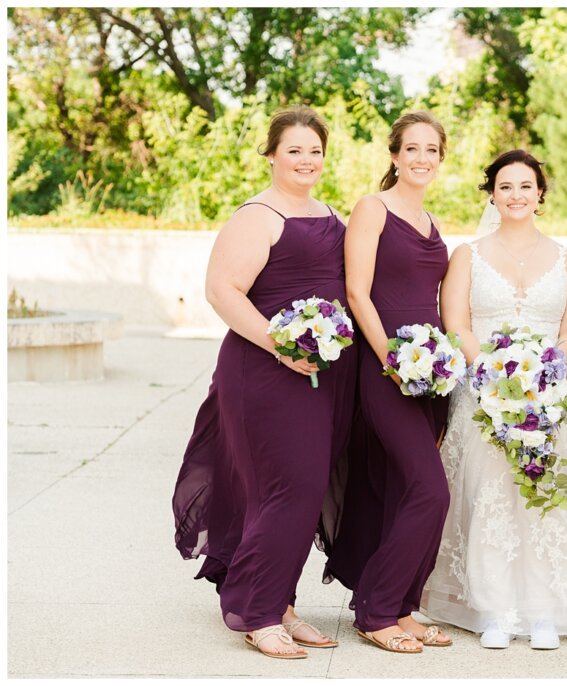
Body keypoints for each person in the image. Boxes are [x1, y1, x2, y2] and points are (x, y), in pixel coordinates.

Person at [171, 105, 355, 659]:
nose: (306, 160)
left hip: (320, 373)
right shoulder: (256, 215)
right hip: (263, 370)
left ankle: (283, 603)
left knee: (305, 486)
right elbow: (222, 290)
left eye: (315, 150)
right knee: (288, 488)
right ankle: (255, 611)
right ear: (272, 154)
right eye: (294, 150)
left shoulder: (328, 211)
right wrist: (283, 345)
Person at [420, 150, 567, 650]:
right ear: (492, 193)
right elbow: (457, 324)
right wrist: (491, 374)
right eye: (505, 186)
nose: (516, 195)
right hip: (483, 392)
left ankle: (545, 610)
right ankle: (493, 609)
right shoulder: (467, 254)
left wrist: (542, 381)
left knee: (545, 496)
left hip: (552, 394)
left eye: (525, 185)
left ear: (540, 193)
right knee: (488, 497)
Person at [324, 111, 453, 654]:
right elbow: (358, 294)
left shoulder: (430, 220)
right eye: (412, 148)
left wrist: (440, 362)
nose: (422, 158)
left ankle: (400, 606)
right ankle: (376, 612)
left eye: (432, 150)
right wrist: (392, 359)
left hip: (431, 374)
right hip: (385, 368)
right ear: (395, 155)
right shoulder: (371, 210)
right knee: (431, 490)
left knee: (402, 489)